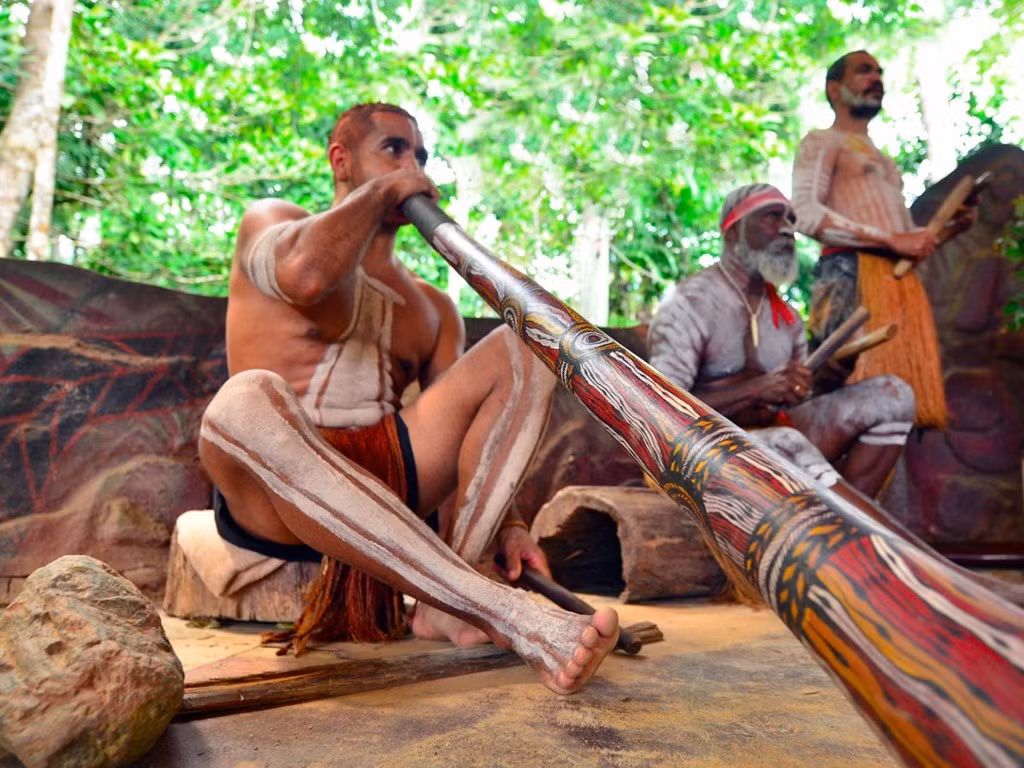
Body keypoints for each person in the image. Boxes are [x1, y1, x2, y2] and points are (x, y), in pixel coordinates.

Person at [197, 102, 618, 694]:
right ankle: (499, 611)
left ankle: (448, 602)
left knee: (526, 343)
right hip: (272, 491)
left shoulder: (431, 306)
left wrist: (511, 525)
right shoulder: (272, 224)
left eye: (419, 156)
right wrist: (387, 192)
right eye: (393, 150)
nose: (413, 165)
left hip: (393, 473)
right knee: (243, 399)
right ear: (340, 160)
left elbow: (476, 434)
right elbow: (305, 279)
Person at [648, 184, 915, 510]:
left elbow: (801, 396)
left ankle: (839, 525)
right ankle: (850, 533)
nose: (788, 228)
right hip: (697, 453)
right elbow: (660, 412)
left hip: (776, 440)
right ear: (733, 233)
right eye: (772, 217)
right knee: (787, 443)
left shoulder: (788, 320)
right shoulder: (689, 304)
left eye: (790, 219)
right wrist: (755, 390)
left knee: (894, 395)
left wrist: (828, 376)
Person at [790, 50, 975, 429]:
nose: (876, 77)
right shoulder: (823, 141)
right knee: (839, 394)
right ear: (835, 89)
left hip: (899, 285)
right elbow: (804, 212)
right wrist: (891, 240)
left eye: (879, 71)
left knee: (905, 406)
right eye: (864, 71)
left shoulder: (886, 161)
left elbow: (909, 243)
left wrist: (954, 227)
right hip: (847, 276)